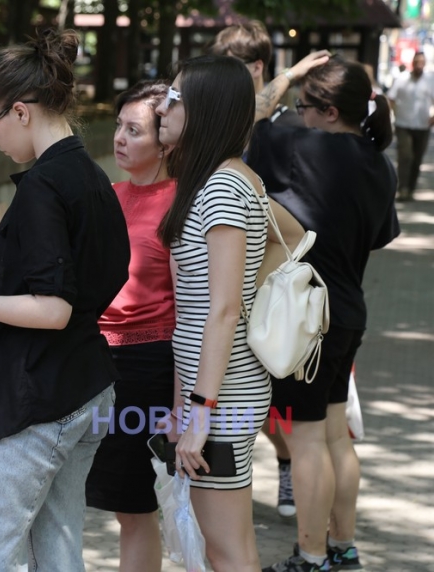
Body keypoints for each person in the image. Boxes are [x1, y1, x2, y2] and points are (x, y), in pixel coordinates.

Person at [0, 29, 129, 571]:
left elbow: (53, 308)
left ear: (19, 112)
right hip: (84, 385)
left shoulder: (45, 186)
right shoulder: (89, 175)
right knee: (57, 548)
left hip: (36, 400)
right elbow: (95, 284)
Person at [154, 54, 308, 571]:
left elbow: (221, 310)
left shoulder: (221, 185)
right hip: (224, 392)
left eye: (174, 98)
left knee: (226, 549)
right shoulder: (235, 178)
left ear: (205, 108)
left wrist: (198, 414)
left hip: (222, 399)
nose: (163, 107)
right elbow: (290, 238)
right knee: (231, 543)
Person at [249, 57, 400, 572]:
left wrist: (286, 76)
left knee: (306, 437)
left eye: (305, 106)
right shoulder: (381, 163)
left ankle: (311, 557)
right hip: (349, 312)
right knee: (336, 434)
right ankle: (342, 547)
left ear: (329, 110)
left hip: (303, 317)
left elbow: (239, 118)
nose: (298, 113)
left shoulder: (295, 146)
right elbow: (379, 238)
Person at [208, 23, 316, 519]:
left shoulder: (271, 127)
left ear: (253, 70)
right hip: (227, 285)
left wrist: (257, 277)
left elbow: (291, 232)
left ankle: (287, 466)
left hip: (264, 294)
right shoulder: (228, 127)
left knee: (275, 392)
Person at [83, 81, 176, 572]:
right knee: (118, 506)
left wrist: (188, 403)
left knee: (136, 506)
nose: (119, 137)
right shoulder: (109, 194)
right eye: (119, 125)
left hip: (147, 369)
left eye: (133, 130)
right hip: (92, 361)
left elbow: (203, 311)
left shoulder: (185, 203)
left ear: (166, 141)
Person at [387, 51, 434, 201]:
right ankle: (403, 188)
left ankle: (411, 187)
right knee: (405, 155)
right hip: (403, 124)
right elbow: (391, 98)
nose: (419, 65)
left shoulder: (430, 80)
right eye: (417, 62)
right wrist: (391, 114)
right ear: (412, 63)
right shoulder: (402, 79)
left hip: (423, 125)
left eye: (422, 62)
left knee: (417, 158)